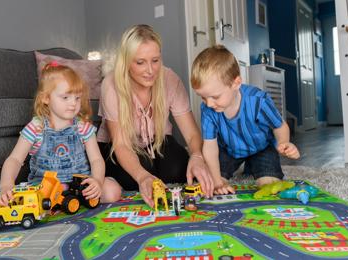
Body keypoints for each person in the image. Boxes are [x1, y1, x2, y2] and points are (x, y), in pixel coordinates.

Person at [97, 24, 214, 207]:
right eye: (140, 62)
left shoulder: (170, 79)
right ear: (127, 62)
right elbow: (120, 144)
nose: (150, 70)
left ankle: (152, 172)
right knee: (136, 174)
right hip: (120, 146)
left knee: (178, 168)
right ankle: (144, 176)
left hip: (156, 141)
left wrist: (197, 156)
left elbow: (191, 134)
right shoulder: (111, 84)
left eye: (155, 60)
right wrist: (142, 176)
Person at [0, 62, 121, 206]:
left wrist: (97, 181)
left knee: (112, 191)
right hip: (45, 187)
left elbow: (96, 160)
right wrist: (6, 184)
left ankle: (72, 200)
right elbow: (15, 160)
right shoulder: (36, 127)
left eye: (77, 98)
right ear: (46, 98)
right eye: (65, 97)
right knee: (24, 201)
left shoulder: (82, 128)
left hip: (79, 185)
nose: (73, 103)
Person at [190, 45, 300, 195]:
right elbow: (209, 147)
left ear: (236, 83)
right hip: (228, 150)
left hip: (261, 148)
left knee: (269, 184)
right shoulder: (208, 109)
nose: (209, 103)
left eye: (215, 97)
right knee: (212, 182)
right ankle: (233, 171)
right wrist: (217, 182)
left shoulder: (258, 100)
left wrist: (284, 143)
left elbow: (279, 126)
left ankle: (254, 166)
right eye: (203, 97)